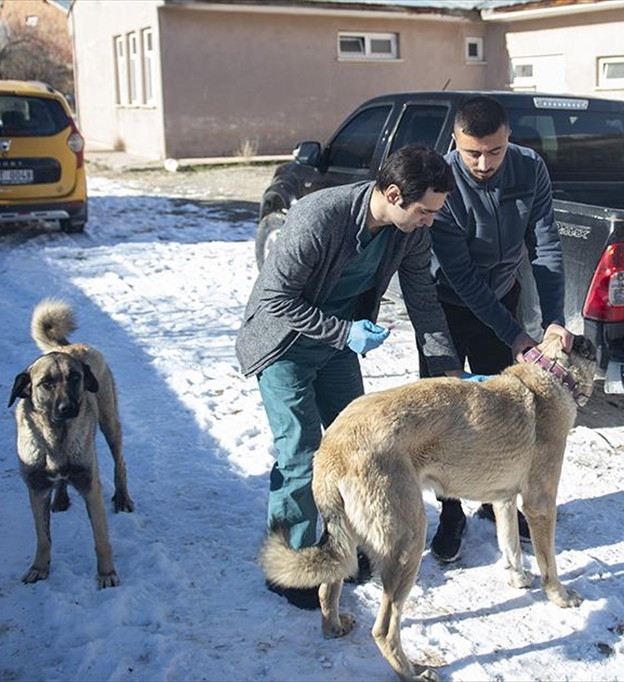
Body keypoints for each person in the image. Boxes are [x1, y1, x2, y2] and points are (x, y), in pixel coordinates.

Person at [236, 144, 462, 609]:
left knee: (359, 450)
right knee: (300, 455)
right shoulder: (321, 216)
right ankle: (292, 567)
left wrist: (448, 368)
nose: (430, 220)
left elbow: (423, 299)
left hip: (337, 345)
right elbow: (276, 298)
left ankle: (345, 549)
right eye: (425, 210)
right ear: (395, 194)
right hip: (284, 346)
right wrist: (343, 331)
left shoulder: (410, 232)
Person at [418, 95, 574, 563]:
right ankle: (450, 515)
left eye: (495, 151)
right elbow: (461, 277)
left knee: (501, 413)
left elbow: (546, 244)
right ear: (455, 143)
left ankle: (498, 500)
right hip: (446, 307)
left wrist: (552, 318)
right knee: (445, 413)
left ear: (509, 140)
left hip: (502, 297)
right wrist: (516, 336)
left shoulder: (530, 168)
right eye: (473, 153)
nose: (484, 163)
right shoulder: (440, 183)